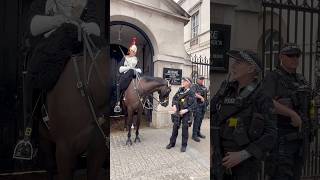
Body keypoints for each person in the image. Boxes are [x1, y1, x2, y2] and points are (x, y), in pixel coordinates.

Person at [14, 0, 103, 159]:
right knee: (37, 75)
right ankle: (29, 133)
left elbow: (96, 26)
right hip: (51, 44)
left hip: (80, 42)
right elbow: (33, 27)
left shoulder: (87, 3)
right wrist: (60, 20)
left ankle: (100, 129)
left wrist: (87, 27)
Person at [212, 50, 277, 180]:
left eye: (238, 62)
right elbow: (213, 116)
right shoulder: (226, 90)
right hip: (219, 159)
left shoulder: (261, 96)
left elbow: (271, 133)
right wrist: (212, 147)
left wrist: (243, 155)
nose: (233, 66)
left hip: (245, 166)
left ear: (251, 68)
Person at [262, 43, 312, 180]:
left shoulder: (300, 79)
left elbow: (310, 99)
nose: (295, 59)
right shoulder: (273, 77)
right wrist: (291, 114)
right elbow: (267, 101)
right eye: (290, 56)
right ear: (281, 57)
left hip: (300, 138)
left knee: (296, 175)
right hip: (281, 139)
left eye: (297, 56)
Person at [166, 77, 196, 152]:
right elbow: (174, 98)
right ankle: (171, 143)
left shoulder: (191, 92)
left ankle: (184, 145)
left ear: (188, 83)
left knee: (185, 130)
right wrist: (174, 105)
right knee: (175, 128)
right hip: (178, 112)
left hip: (186, 113)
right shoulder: (180, 90)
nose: (182, 82)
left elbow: (194, 104)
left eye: (184, 81)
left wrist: (186, 110)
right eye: (183, 80)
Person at [114, 37, 142, 113]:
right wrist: (128, 67)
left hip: (133, 75)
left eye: (134, 51)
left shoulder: (136, 59)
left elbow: (139, 70)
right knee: (118, 84)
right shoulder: (124, 58)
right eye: (131, 51)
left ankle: (142, 101)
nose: (132, 52)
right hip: (124, 76)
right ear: (129, 51)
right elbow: (119, 69)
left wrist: (133, 69)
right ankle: (118, 103)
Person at [191, 76, 208, 142]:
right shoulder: (194, 86)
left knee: (200, 120)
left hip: (203, 106)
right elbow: (193, 93)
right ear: (197, 79)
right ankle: (194, 135)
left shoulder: (204, 87)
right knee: (197, 120)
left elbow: (206, 95)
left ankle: (198, 133)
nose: (201, 80)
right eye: (200, 79)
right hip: (197, 106)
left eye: (202, 79)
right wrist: (200, 96)